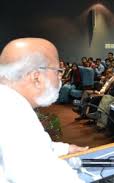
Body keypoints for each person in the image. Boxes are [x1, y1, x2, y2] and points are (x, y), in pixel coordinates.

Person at [0, 38, 88, 182]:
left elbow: (26, 149)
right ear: (37, 77)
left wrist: (65, 149)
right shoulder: (16, 116)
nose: (60, 77)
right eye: (58, 71)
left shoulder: (8, 102)